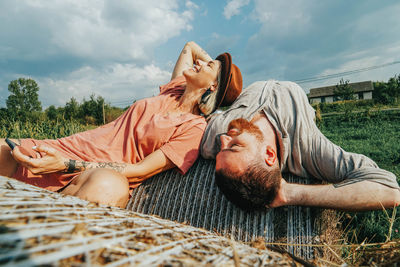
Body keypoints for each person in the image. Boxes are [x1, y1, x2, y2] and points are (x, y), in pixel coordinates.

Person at [0, 41, 243, 208]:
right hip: (68, 147)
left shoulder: (193, 128)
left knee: (108, 188)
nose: (200, 63)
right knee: (3, 148)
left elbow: (141, 170)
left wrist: (66, 165)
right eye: (204, 61)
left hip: (96, 173)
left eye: (208, 66)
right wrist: (213, 67)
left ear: (213, 87)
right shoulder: (173, 90)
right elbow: (189, 47)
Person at [201, 80, 400, 211]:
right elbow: (389, 190)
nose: (223, 140)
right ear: (270, 155)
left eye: (223, 150)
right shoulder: (309, 150)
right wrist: (289, 193)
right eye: (234, 146)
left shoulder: (211, 137)